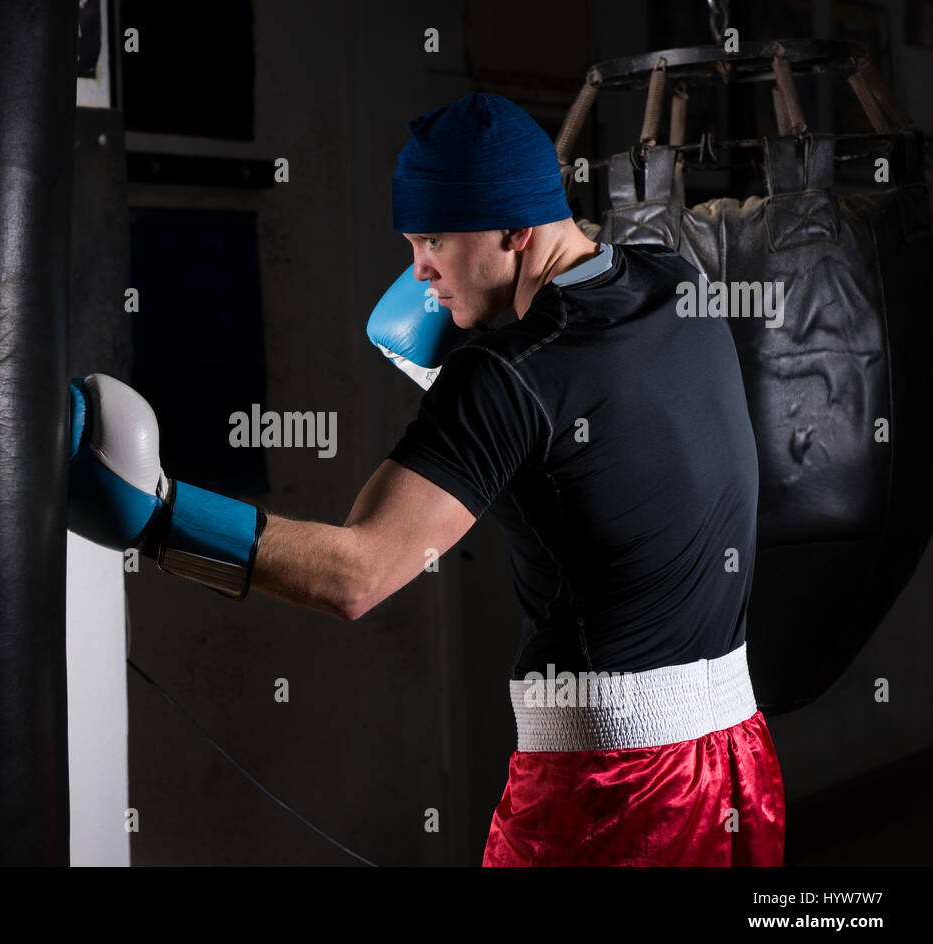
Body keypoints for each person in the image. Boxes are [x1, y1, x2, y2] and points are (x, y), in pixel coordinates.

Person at [67, 91, 785, 866]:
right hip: (741, 764)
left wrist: (159, 520)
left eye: (433, 241)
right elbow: (600, 429)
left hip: (610, 795)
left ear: (515, 228)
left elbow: (358, 575)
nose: (419, 274)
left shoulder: (504, 378)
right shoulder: (676, 277)